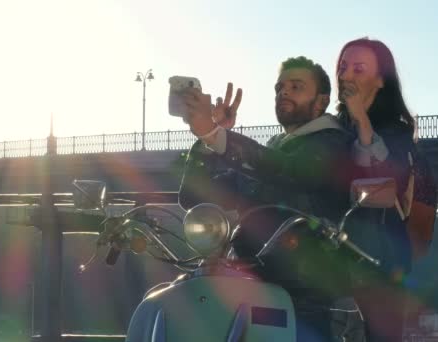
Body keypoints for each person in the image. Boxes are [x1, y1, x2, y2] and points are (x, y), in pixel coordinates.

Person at [178, 56, 365, 341]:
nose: (284, 93)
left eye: (296, 86)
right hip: (254, 286)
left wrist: (214, 134)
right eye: (279, 88)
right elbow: (193, 196)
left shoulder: (333, 144)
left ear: (321, 101)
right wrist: (207, 140)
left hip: (306, 296)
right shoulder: (271, 154)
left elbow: (290, 170)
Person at [335, 37, 418, 342]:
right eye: (343, 67)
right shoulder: (332, 128)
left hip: (381, 260)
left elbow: (386, 175)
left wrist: (363, 122)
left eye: (358, 68)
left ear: (381, 80)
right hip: (335, 255)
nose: (346, 76)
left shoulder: (398, 130)